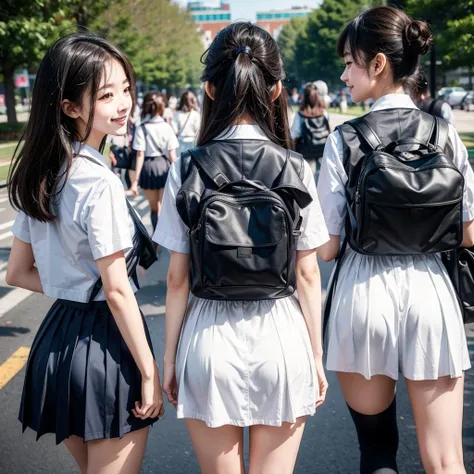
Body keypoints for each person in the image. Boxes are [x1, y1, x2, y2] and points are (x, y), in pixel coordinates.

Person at [154, 22, 330, 474]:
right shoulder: (294, 166)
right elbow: (308, 275)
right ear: (275, 92)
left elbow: (177, 280)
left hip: (209, 336)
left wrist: (169, 358)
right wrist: (316, 356)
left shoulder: (187, 167)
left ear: (210, 88)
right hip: (280, 332)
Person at [318, 6, 474, 473]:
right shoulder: (445, 136)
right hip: (430, 290)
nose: (344, 74)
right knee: (446, 460)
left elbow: (326, 246)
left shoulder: (343, 140)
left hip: (363, 295)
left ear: (379, 64)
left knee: (377, 451)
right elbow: (469, 233)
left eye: (350, 61)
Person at [6, 33, 163, 473]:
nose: (124, 103)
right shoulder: (98, 182)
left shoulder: (43, 171)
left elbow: (17, 272)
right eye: (107, 94)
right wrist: (149, 373)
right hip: (105, 343)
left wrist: (71, 283)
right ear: (70, 106)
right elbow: (116, 290)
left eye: (126, 89)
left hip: (58, 340)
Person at [131, 91, 179, 234]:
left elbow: (140, 155)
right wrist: (179, 174)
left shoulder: (142, 128)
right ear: (161, 107)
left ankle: (156, 238)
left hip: (148, 168)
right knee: (164, 208)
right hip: (164, 166)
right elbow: (172, 155)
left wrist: (135, 180)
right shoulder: (167, 127)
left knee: (154, 209)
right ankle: (166, 236)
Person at [291, 82, 330, 176]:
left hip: (306, 149)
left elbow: (294, 134)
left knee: (306, 174)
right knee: (320, 173)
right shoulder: (324, 113)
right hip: (322, 148)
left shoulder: (300, 114)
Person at [172, 90, 201, 156]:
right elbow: (198, 130)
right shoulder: (195, 114)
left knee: (181, 163)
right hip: (192, 141)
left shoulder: (177, 114)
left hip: (180, 141)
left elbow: (175, 130)